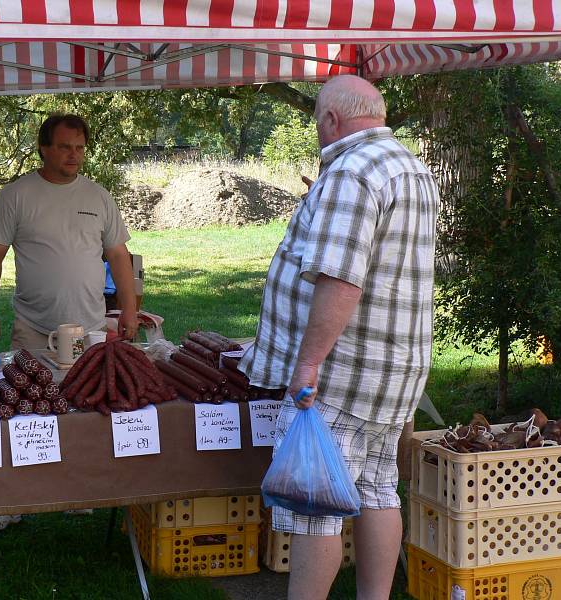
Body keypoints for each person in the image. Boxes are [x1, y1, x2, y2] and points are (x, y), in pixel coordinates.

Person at [239, 75, 438, 599]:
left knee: (314, 505)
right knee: (377, 487)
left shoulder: (351, 171)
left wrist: (307, 365)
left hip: (343, 372)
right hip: (396, 365)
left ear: (331, 120)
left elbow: (340, 278)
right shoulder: (410, 165)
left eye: (315, 124)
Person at [0, 113, 139, 531]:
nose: (73, 155)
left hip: (89, 329)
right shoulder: (16, 195)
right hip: (33, 326)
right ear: (44, 148)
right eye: (65, 147)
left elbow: (118, 256)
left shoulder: (99, 197)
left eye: (80, 147)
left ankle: (79, 492)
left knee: (85, 410)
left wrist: (131, 308)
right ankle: (13, 502)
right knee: (24, 411)